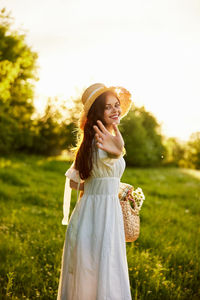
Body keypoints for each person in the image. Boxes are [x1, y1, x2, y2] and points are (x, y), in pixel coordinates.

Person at [57, 83, 133, 300]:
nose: (116, 110)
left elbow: (76, 183)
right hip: (100, 214)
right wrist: (117, 152)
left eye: (116, 105)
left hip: (94, 211)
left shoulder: (92, 140)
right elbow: (107, 159)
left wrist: (108, 187)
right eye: (108, 107)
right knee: (101, 267)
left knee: (95, 268)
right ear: (98, 112)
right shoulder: (103, 140)